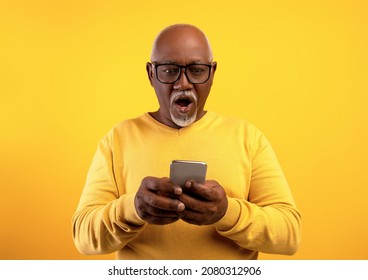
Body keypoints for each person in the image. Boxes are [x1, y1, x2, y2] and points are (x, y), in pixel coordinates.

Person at [72, 23, 302, 260]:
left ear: (212, 73)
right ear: (151, 74)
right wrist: (134, 209)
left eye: (196, 70)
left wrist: (226, 212)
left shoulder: (248, 137)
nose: (183, 84)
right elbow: (83, 237)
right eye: (170, 70)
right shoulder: (117, 140)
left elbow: (289, 234)